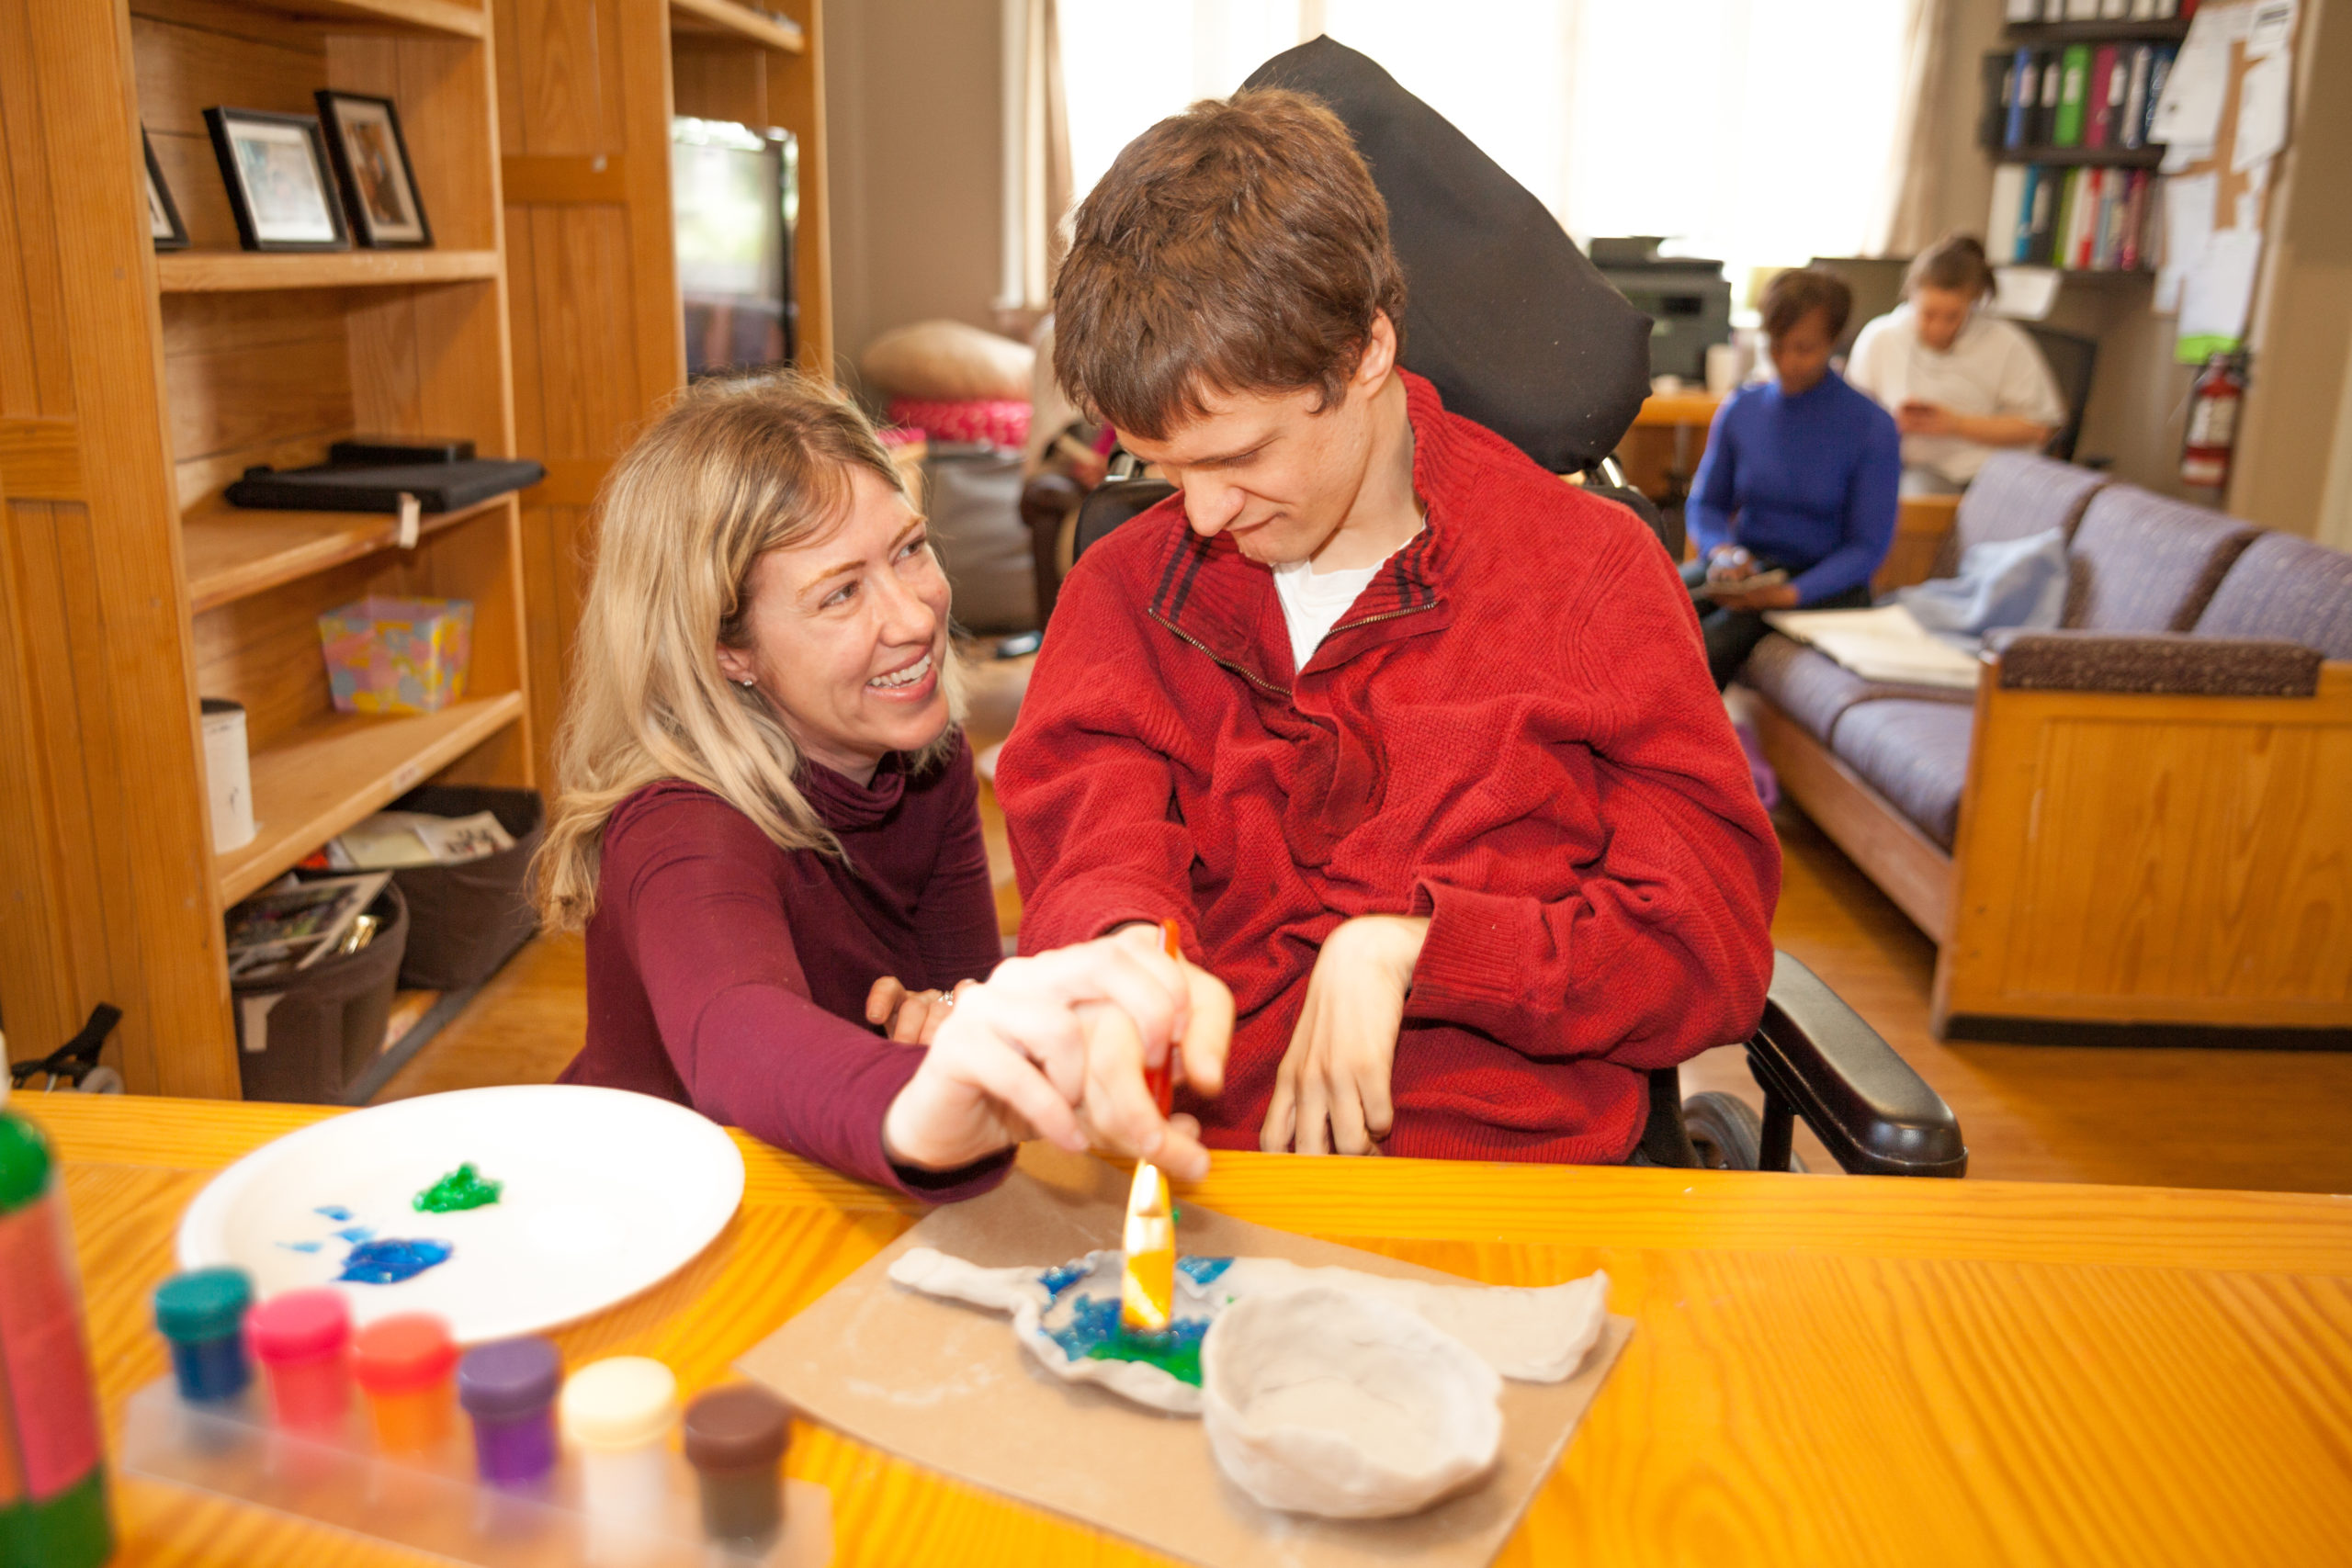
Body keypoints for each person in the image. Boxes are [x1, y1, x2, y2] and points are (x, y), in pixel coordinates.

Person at [997, 91, 1778, 1166]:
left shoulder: (1589, 576)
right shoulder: (1124, 594)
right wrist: (1124, 960)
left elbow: (1708, 955)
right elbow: (1097, 855)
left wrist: (1420, 952)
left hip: (1514, 1206)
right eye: (1160, 465)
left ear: (1364, 353)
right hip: (1217, 1199)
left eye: (1237, 458)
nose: (1201, 514)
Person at [534, 373, 1232, 1201]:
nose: (912, 617)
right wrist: (913, 1100)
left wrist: (954, 1029)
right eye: (839, 594)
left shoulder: (920, 761)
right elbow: (735, 1032)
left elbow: (958, 990)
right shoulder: (679, 823)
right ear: (729, 651)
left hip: (834, 1195)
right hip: (651, 1215)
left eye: (908, 549)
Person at [1682, 267, 1902, 689]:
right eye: (1776, 346)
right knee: (1646, 608)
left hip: (1826, 585)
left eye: (1804, 349)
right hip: (1750, 569)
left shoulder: (1871, 427)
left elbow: (1867, 548)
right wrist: (1723, 552)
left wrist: (1788, 595)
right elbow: (1707, 504)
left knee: (1709, 646)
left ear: (1834, 341)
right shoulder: (1742, 409)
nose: (1786, 362)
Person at [1846, 233, 2065, 494]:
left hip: (1986, 476)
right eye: (1928, 315)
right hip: (1909, 471)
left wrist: (1956, 425)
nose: (1939, 328)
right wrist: (1892, 424)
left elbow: (2039, 428)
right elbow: (1848, 423)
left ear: (1973, 303)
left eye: (1952, 317)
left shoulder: (2006, 343)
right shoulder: (1881, 337)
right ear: (1911, 296)